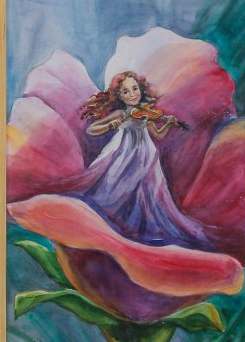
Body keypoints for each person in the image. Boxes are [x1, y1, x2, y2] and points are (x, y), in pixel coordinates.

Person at [76, 70, 210, 250]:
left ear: (141, 89)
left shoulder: (145, 113)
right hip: (123, 151)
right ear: (119, 96)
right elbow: (91, 129)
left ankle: (135, 230)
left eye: (135, 89)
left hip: (145, 154)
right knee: (116, 184)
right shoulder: (121, 114)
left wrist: (168, 123)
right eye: (125, 91)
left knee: (144, 189)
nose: (132, 94)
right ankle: (108, 225)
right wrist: (110, 125)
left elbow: (158, 134)